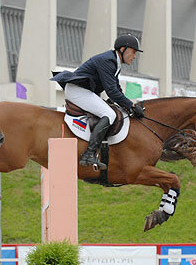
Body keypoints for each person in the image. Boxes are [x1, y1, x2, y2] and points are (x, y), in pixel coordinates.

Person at [51, 35, 145, 170]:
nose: (134, 56)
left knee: (110, 110)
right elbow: (112, 91)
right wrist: (131, 105)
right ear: (123, 49)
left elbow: (116, 87)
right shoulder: (108, 61)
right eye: (133, 52)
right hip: (78, 91)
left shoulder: (114, 61)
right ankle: (89, 154)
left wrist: (129, 106)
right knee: (110, 114)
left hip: (83, 91)